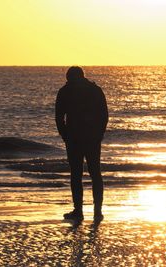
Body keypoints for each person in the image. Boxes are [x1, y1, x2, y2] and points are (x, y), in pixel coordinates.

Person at [55, 66, 108, 221]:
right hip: (90, 138)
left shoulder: (65, 91)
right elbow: (104, 116)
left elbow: (59, 118)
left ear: (70, 77)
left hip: (75, 138)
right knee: (95, 173)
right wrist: (99, 134)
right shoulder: (95, 90)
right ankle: (96, 212)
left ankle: (79, 211)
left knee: (77, 175)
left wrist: (65, 135)